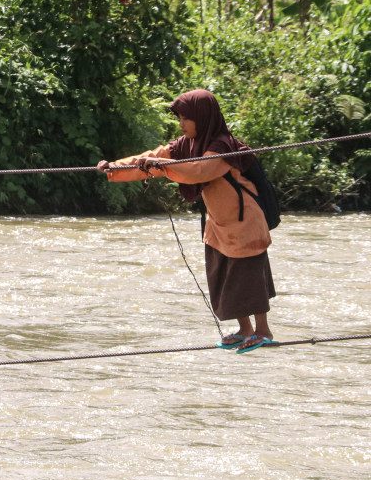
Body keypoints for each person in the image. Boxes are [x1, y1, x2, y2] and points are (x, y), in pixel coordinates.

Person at [96, 89, 276, 353]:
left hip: (244, 221)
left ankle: (263, 331)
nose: (180, 124)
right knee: (224, 275)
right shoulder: (187, 145)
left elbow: (198, 171)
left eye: (185, 118)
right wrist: (114, 167)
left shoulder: (222, 146)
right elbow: (152, 156)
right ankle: (245, 330)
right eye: (179, 118)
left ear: (202, 117)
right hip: (218, 223)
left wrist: (157, 164)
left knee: (247, 277)